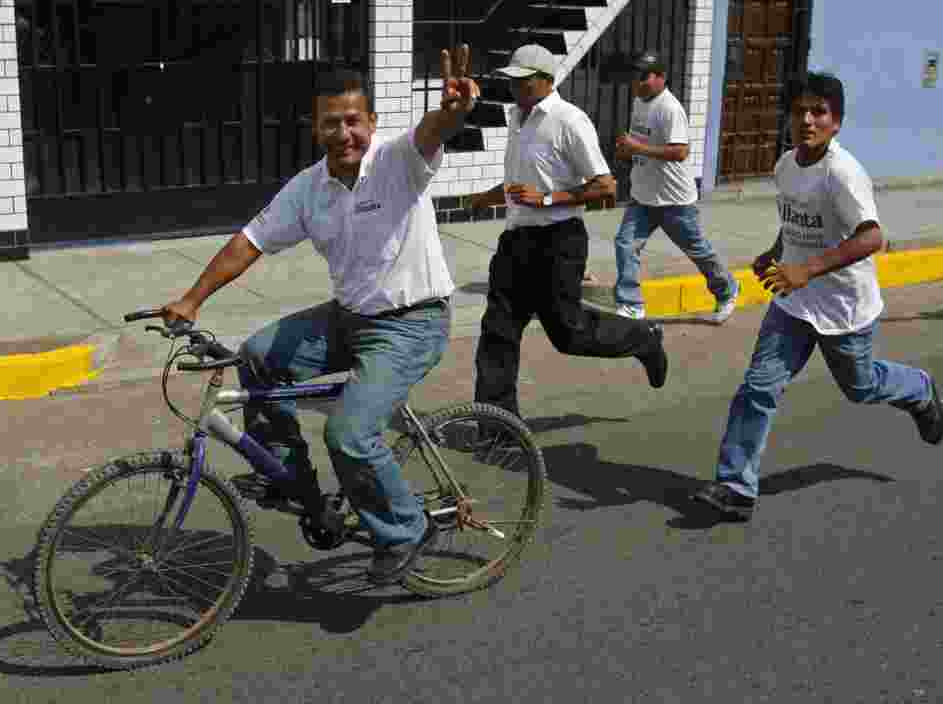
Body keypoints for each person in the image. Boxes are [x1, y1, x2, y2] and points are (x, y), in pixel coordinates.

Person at [160, 48, 481, 585]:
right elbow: (249, 242)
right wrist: (193, 299)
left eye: (354, 121)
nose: (344, 133)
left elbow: (433, 131)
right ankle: (294, 479)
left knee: (350, 434)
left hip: (412, 322)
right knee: (259, 356)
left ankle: (402, 530)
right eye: (332, 123)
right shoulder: (309, 187)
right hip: (349, 318)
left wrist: (452, 111)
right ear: (316, 129)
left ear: (372, 123)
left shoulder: (399, 160)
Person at [691, 71, 943, 521]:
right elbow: (798, 223)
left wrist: (806, 269)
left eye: (819, 112)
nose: (808, 120)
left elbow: (872, 238)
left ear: (837, 122)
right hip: (793, 303)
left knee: (861, 387)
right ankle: (735, 486)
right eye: (799, 112)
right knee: (758, 386)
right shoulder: (786, 165)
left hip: (843, 308)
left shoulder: (843, 174)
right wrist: (774, 254)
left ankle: (920, 389)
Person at [461, 44, 669, 420]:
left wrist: (546, 199)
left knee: (568, 333)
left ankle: (643, 338)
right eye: (513, 81)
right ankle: (497, 426)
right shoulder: (516, 117)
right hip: (515, 242)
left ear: (545, 80)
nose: (515, 89)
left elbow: (606, 187)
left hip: (558, 241)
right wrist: (485, 197)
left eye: (523, 82)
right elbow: (519, 182)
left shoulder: (569, 120)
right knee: (498, 331)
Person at [613, 50, 739, 323]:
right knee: (625, 244)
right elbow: (640, 143)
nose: (639, 82)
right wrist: (628, 152)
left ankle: (727, 291)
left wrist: (637, 147)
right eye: (636, 76)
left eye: (645, 77)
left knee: (698, 251)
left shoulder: (670, 108)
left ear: (660, 77)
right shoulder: (638, 102)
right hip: (643, 196)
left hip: (674, 201)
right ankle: (631, 304)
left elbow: (680, 151)